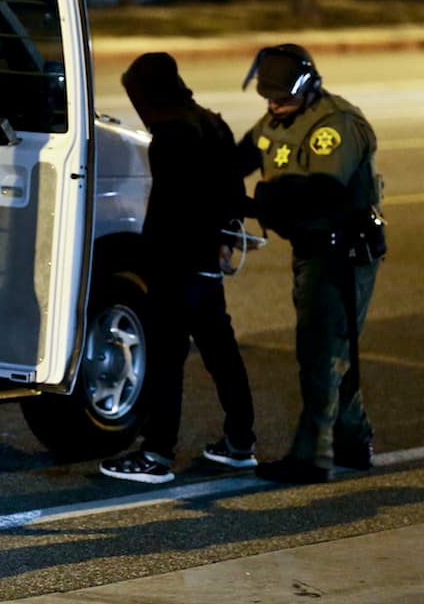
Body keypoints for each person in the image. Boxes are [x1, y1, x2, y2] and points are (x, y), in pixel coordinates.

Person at [98, 53, 258, 484]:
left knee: (166, 360)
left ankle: (156, 454)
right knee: (220, 352)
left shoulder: (170, 136)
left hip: (175, 263)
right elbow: (230, 191)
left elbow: (169, 210)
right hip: (205, 262)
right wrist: (224, 241)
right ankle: (240, 442)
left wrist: (149, 262)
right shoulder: (212, 123)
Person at [238, 43, 385, 484]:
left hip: (340, 252)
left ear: (307, 87)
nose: (273, 105)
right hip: (310, 248)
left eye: (281, 97)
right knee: (329, 350)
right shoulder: (277, 117)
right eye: (268, 97)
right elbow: (243, 156)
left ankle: (312, 457)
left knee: (321, 352)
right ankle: (352, 442)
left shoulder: (334, 125)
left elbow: (324, 190)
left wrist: (260, 200)